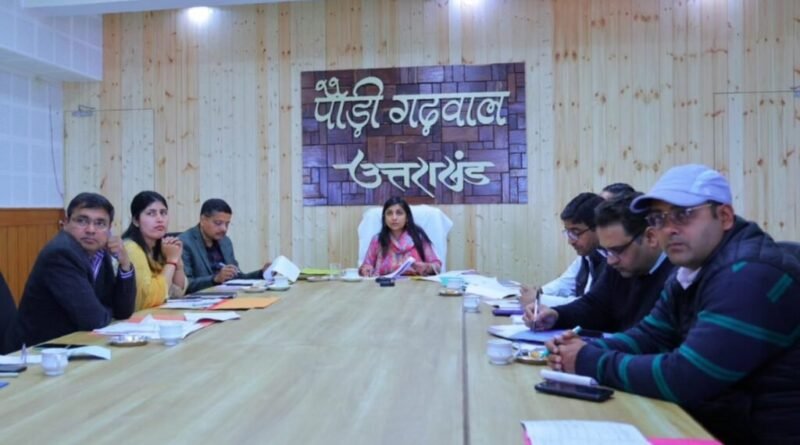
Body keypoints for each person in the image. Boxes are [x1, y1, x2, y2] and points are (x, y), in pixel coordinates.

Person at [545, 165, 800, 444]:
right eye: (658, 218)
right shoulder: (691, 269)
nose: (668, 229)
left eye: (683, 215)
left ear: (724, 216)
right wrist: (580, 349)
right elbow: (651, 335)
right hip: (714, 424)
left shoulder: (748, 275)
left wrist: (589, 360)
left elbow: (687, 377)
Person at [522, 192, 673, 333]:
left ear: (651, 238)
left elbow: (651, 339)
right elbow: (593, 305)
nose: (610, 261)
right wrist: (556, 315)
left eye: (617, 250)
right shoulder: (619, 265)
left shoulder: (678, 278)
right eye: (607, 251)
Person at [3, 193, 135, 351]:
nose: (91, 230)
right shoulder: (61, 254)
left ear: (109, 230)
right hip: (36, 352)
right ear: (65, 223)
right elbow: (93, 320)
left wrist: (125, 263)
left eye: (100, 223)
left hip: (73, 345)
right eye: (82, 221)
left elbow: (123, 311)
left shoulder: (100, 252)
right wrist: (106, 311)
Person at [520, 193, 606, 306]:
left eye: (576, 232)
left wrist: (539, 299)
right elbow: (567, 282)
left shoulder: (612, 261)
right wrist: (538, 293)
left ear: (598, 227)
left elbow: (592, 306)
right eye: (568, 233)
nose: (570, 241)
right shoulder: (589, 254)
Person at [180, 198, 270, 293]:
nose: (224, 229)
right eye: (218, 223)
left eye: (227, 224)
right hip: (201, 299)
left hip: (228, 296)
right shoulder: (185, 243)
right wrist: (215, 279)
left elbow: (237, 278)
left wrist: (261, 273)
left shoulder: (225, 242)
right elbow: (184, 285)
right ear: (203, 220)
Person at [123, 191, 186, 310]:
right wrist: (171, 261)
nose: (160, 219)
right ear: (136, 221)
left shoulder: (162, 246)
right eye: (151, 213)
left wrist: (178, 263)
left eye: (163, 213)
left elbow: (177, 293)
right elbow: (148, 300)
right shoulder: (131, 248)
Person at [359, 197, 442, 277]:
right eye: (389, 213)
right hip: (384, 284)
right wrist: (366, 269)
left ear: (407, 218)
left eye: (399, 213)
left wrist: (427, 267)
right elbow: (366, 265)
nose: (394, 218)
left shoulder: (418, 237)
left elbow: (437, 266)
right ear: (384, 218)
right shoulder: (377, 240)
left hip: (415, 284)